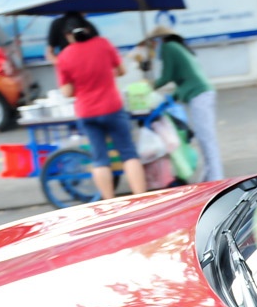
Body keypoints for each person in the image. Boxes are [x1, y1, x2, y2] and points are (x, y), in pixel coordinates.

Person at [55, 22, 147, 201]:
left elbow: (66, 92)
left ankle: (109, 203)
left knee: (99, 159)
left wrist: (82, 86)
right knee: (128, 154)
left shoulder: (64, 55)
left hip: (87, 112)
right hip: (112, 107)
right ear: (88, 30)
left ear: (68, 36)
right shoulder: (103, 44)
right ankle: (141, 199)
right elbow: (121, 71)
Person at [141, 25, 223, 180]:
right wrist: (172, 97)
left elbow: (167, 76)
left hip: (199, 94)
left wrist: (147, 87)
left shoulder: (168, 47)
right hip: (201, 93)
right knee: (205, 138)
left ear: (160, 39)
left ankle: (216, 177)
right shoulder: (177, 47)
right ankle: (209, 177)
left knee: (206, 139)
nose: (153, 44)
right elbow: (182, 77)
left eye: (154, 41)